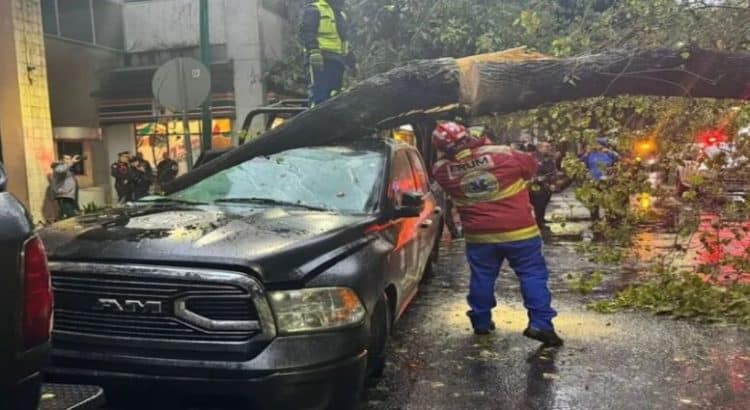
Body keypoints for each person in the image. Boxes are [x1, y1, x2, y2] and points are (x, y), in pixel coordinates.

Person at [431, 122, 563, 347]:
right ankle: (541, 324)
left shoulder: (441, 170)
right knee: (532, 275)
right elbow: (531, 167)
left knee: (482, 277)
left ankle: (481, 322)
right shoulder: (503, 153)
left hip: (480, 237)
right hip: (520, 232)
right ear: (468, 135)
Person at [299, 0, 356, 106]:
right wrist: (314, 50)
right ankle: (316, 119)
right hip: (320, 59)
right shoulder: (315, 9)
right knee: (319, 96)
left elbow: (344, 41)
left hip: (337, 60)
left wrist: (351, 62)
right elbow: (306, 32)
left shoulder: (341, 14)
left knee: (335, 96)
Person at [580, 137, 620, 220]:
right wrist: (586, 154)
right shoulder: (591, 154)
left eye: (597, 144)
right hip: (593, 181)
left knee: (608, 201)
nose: (595, 146)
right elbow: (581, 163)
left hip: (607, 182)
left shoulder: (609, 153)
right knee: (593, 203)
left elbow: (619, 158)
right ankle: (595, 221)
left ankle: (610, 220)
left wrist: (609, 151)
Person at [529, 142, 558, 234]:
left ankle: (541, 221)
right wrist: (535, 178)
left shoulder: (550, 159)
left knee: (543, 205)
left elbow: (553, 171)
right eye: (547, 147)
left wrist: (553, 183)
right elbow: (530, 171)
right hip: (536, 187)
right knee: (538, 206)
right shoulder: (533, 158)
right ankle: (537, 224)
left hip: (547, 187)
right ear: (540, 148)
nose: (549, 149)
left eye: (549, 147)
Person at [50, 155, 80, 219]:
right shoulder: (58, 167)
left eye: (69, 159)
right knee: (70, 215)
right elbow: (61, 170)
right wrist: (72, 162)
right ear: (62, 160)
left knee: (68, 214)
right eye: (67, 159)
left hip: (69, 196)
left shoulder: (67, 169)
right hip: (63, 196)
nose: (69, 160)